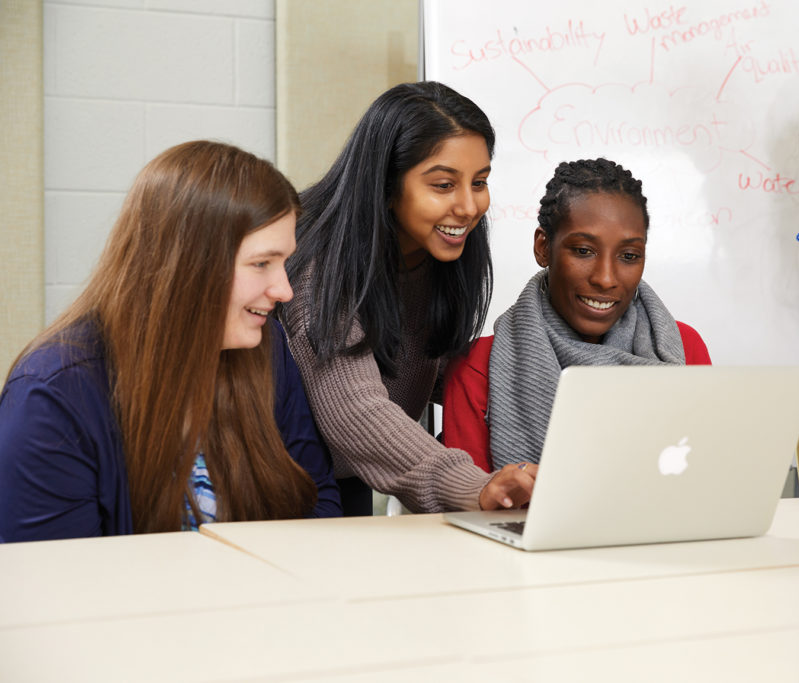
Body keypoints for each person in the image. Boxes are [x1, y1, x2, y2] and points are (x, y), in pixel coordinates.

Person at [0, 141, 342, 542]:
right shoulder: (54, 395)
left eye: (284, 263)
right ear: (188, 265)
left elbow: (317, 506)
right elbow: (58, 584)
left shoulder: (267, 349)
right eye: (262, 264)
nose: (285, 290)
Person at [280, 81, 535, 514]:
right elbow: (355, 408)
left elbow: (435, 370)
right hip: (281, 490)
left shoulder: (439, 250)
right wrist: (472, 486)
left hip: (349, 480)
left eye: (479, 182)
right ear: (386, 183)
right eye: (443, 185)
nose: (469, 206)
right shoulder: (321, 262)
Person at [442, 158, 711, 471]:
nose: (606, 278)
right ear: (544, 247)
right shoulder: (477, 368)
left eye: (629, 256)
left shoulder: (682, 348)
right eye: (584, 251)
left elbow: (705, 476)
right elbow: (468, 504)